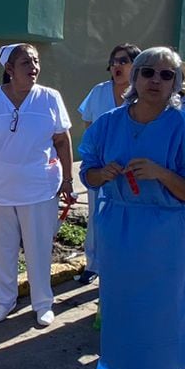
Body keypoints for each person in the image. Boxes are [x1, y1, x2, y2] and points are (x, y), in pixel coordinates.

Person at [77, 47, 185, 369]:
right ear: (134, 78)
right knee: (118, 314)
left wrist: (161, 173)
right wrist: (100, 175)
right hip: (116, 230)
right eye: (149, 73)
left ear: (176, 84)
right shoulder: (107, 123)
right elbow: (86, 172)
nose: (156, 80)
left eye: (166, 75)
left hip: (162, 237)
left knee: (153, 321)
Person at [0, 43, 75, 328]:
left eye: (35, 61)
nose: (33, 67)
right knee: (1, 248)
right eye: (25, 62)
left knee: (39, 247)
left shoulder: (50, 98)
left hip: (39, 188)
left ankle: (43, 303)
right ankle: (4, 299)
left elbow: (62, 140)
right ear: (9, 69)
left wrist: (68, 180)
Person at [75, 43, 140, 286]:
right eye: (113, 61)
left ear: (136, 65)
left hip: (132, 171)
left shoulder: (141, 95)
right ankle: (93, 265)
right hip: (101, 169)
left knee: (128, 218)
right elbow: (88, 125)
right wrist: (94, 160)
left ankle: (123, 266)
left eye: (123, 61)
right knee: (96, 216)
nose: (116, 66)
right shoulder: (99, 92)